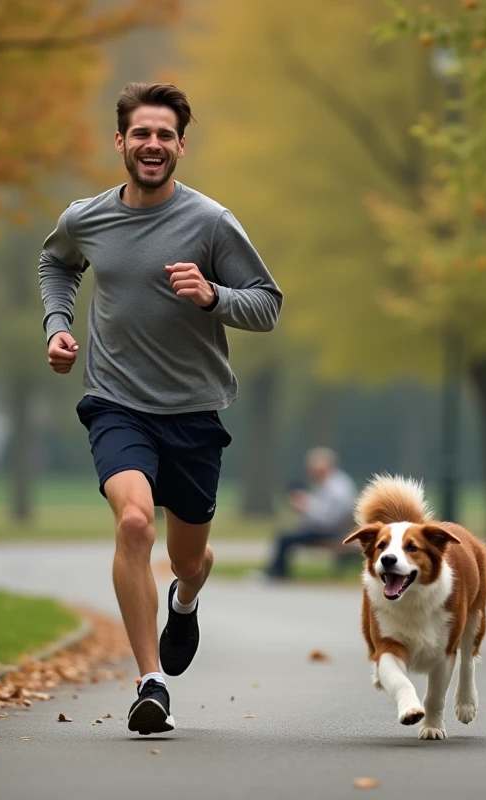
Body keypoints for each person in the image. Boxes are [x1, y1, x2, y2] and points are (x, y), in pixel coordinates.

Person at [38, 83, 282, 735]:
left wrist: (213, 297)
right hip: (117, 404)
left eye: (164, 135)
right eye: (141, 134)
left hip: (196, 413)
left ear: (180, 145)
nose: (152, 145)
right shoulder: (85, 217)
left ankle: (187, 598)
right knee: (135, 526)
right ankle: (150, 681)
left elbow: (267, 303)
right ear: (120, 141)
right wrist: (58, 324)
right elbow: (57, 263)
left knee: (190, 558)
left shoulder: (210, 222)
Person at [264, 448, 356, 579]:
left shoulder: (336, 488)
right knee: (287, 533)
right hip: (331, 527)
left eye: (314, 470)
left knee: (285, 537)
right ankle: (277, 571)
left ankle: (278, 572)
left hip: (331, 530)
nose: (311, 474)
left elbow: (329, 519)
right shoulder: (333, 483)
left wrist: (305, 506)